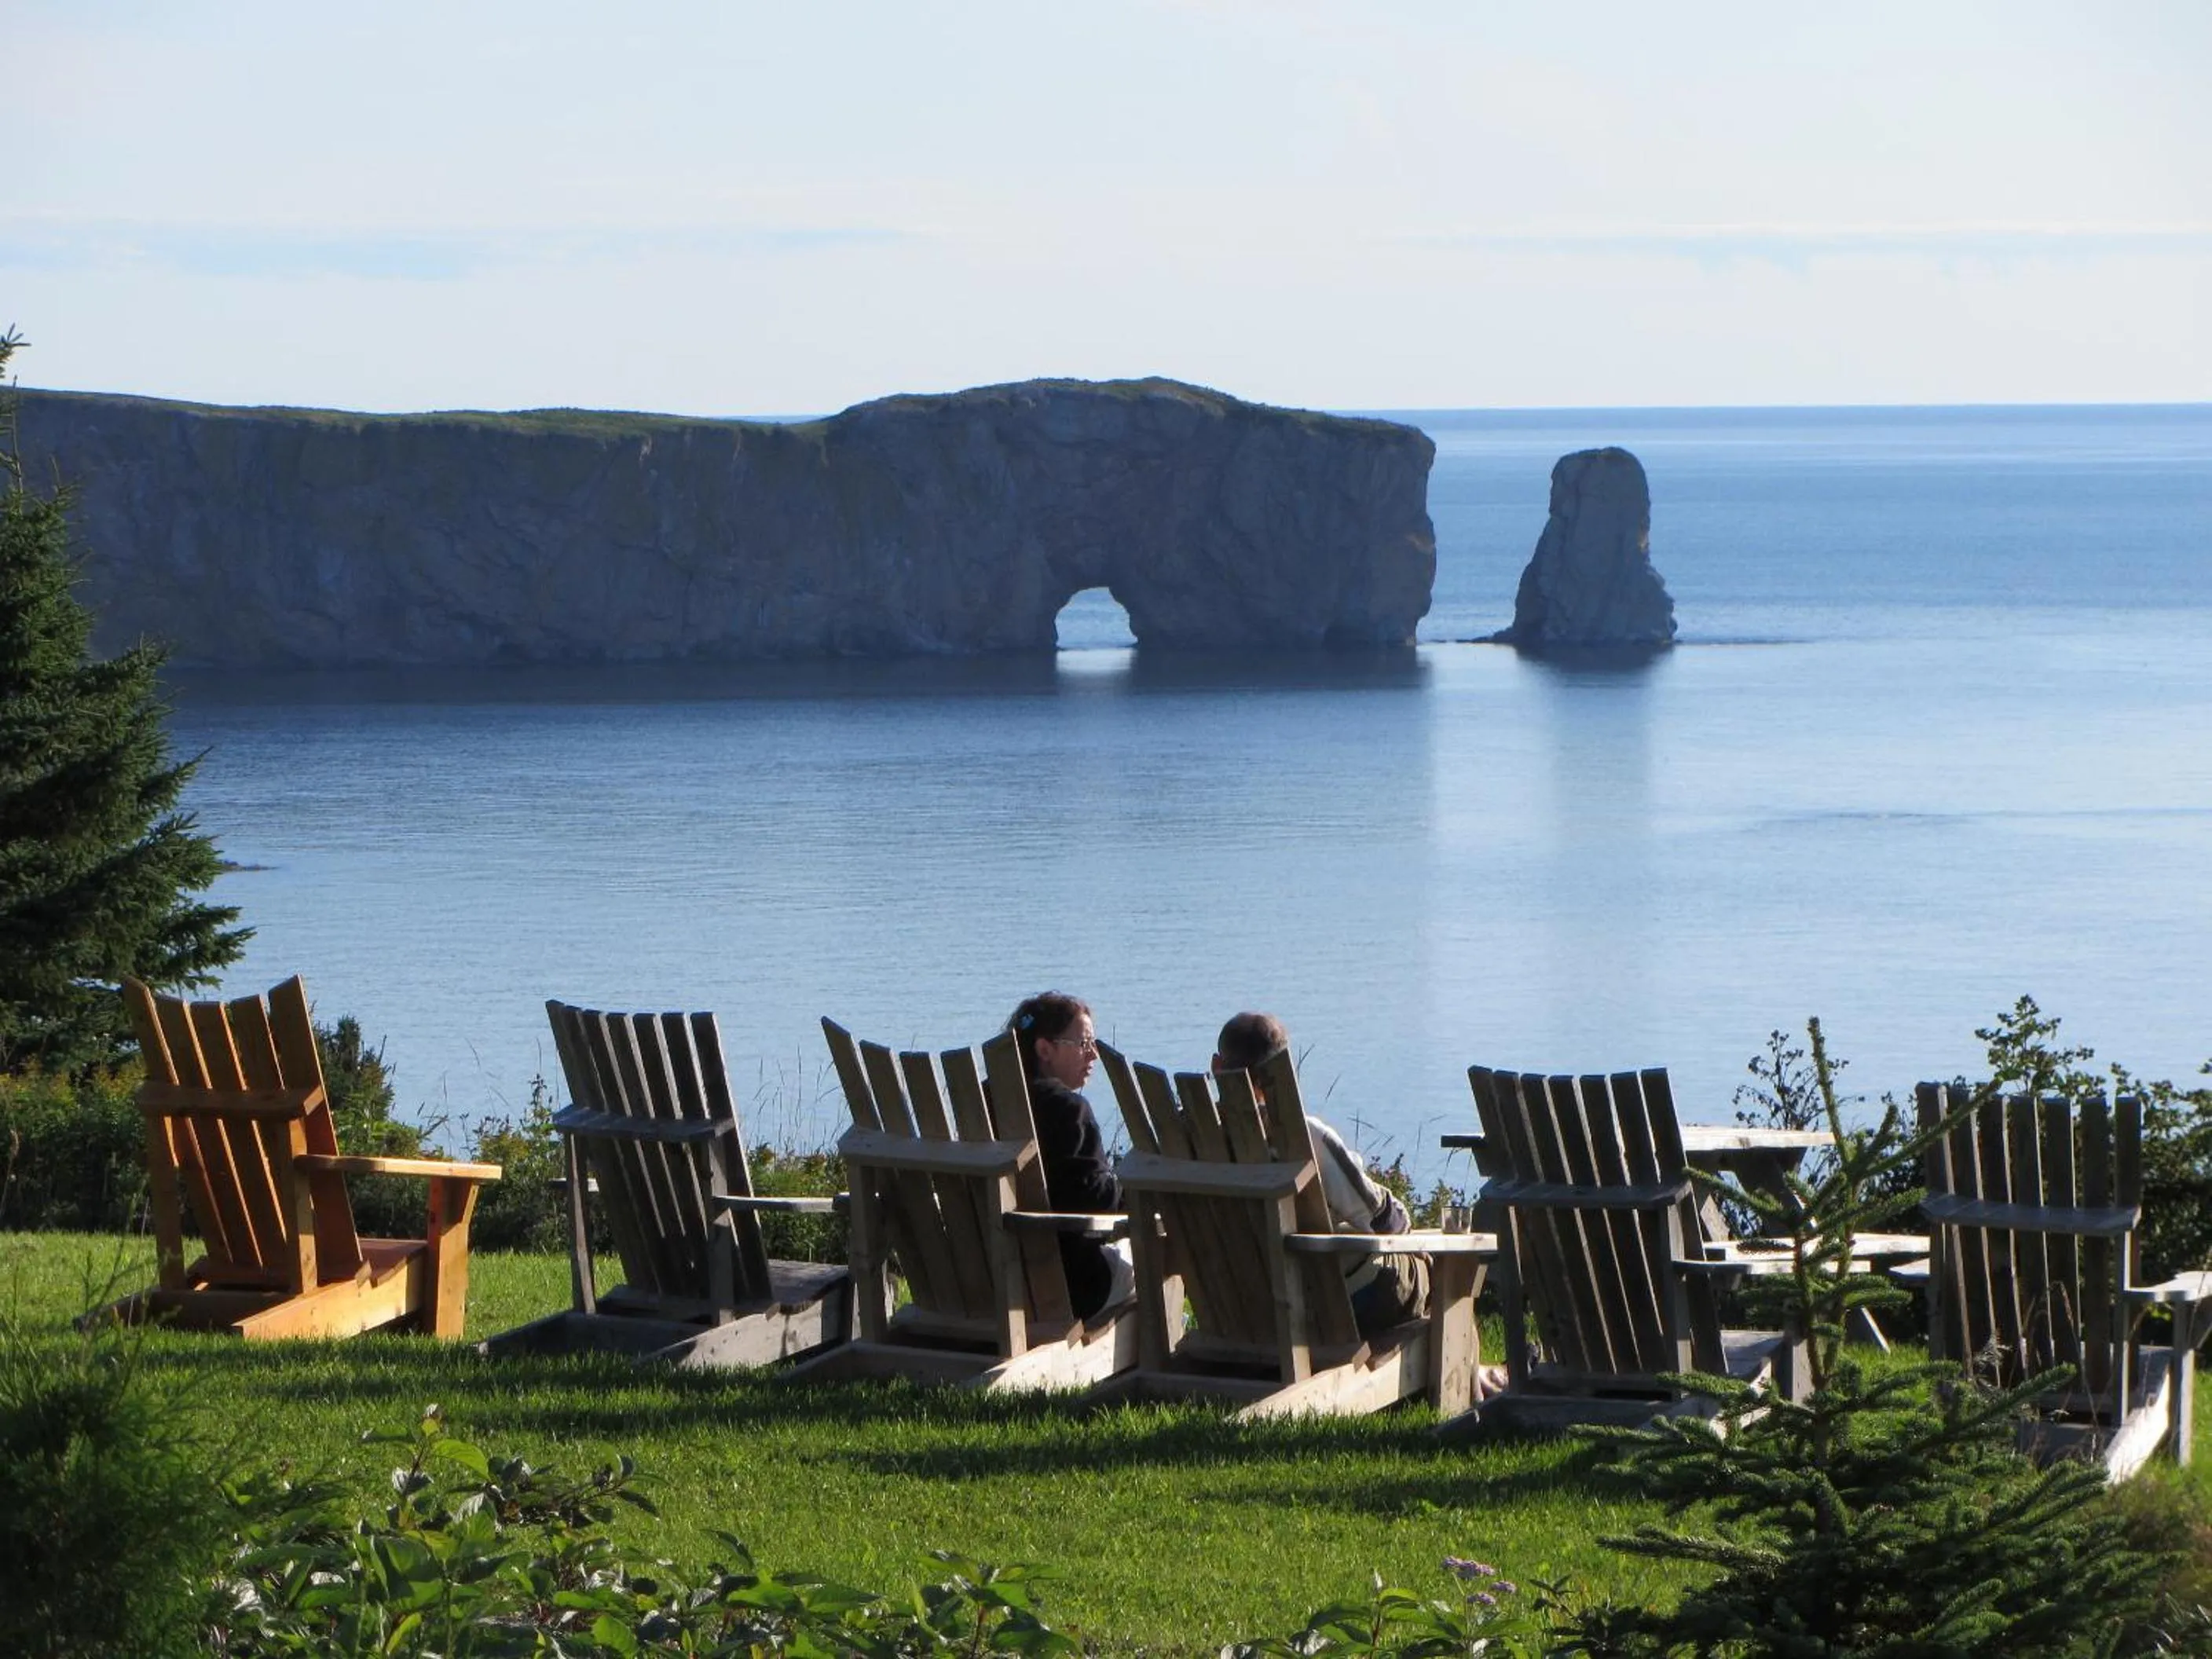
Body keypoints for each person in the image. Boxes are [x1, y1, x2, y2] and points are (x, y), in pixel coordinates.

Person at [1211, 1011, 1429, 1335]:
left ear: (1217, 1066)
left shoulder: (1189, 1137)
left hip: (1239, 1305)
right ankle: (1479, 1374)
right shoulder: (1307, 1138)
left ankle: (1479, 1372)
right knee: (1427, 1268)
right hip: (1331, 1303)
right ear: (1287, 1072)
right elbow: (1381, 1222)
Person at [1008, 991, 1133, 1320]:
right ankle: (1154, 1358)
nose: (1093, 1053)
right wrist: (1130, 1190)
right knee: (1154, 1253)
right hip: (1070, 1283)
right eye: (1083, 1042)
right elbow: (1092, 1199)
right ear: (1045, 1049)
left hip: (992, 1276)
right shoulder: (1068, 1109)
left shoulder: (982, 1100)